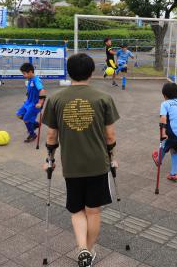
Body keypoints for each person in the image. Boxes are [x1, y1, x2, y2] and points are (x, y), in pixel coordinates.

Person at [41, 53, 120, 266]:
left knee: (76, 209)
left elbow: (51, 136)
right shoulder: (103, 98)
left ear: (69, 72)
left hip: (71, 165)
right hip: (98, 163)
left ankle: (82, 248)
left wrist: (50, 159)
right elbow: (110, 136)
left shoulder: (56, 99)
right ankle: (90, 249)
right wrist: (113, 157)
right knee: (93, 210)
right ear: (92, 72)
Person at [16, 63, 46, 143]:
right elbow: (30, 91)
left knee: (26, 119)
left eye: (24, 73)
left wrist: (40, 103)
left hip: (35, 105)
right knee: (19, 114)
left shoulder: (36, 80)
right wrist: (27, 99)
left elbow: (42, 90)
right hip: (28, 103)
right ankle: (35, 124)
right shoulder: (30, 80)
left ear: (30, 72)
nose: (23, 75)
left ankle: (32, 134)